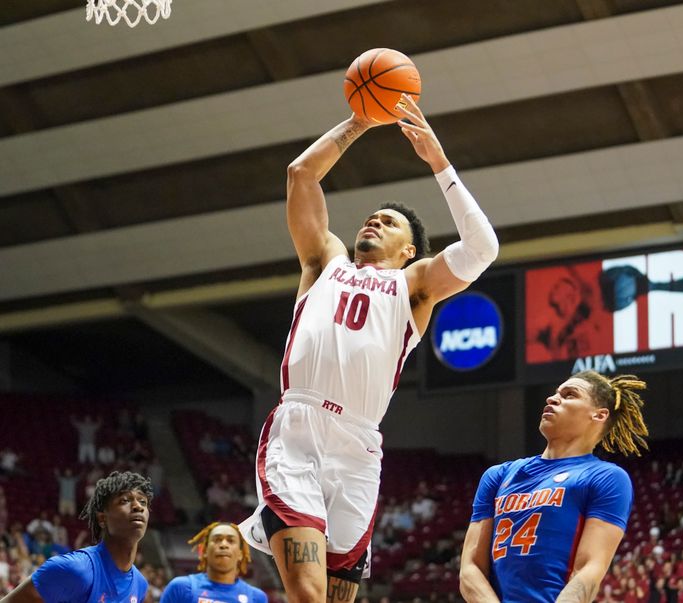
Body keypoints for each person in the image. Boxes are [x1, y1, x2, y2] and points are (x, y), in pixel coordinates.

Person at [239, 93, 498, 603]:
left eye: (389, 221)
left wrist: (439, 162)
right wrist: (360, 122)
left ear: (409, 251)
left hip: (359, 447)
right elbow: (300, 175)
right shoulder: (324, 262)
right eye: (371, 216)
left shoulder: (416, 285)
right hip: (300, 428)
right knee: (309, 595)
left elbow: (483, 248)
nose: (373, 221)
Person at [460, 371, 648, 603]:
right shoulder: (498, 475)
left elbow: (589, 570)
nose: (552, 399)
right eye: (555, 393)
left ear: (598, 415)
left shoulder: (606, 477)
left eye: (569, 395)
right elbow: (470, 569)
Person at [1, 471, 151, 603]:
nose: (138, 506)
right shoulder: (75, 570)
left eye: (143, 501)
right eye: (124, 500)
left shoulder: (140, 584)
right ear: (102, 519)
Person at [161, 522, 266, 603]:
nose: (223, 545)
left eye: (231, 540)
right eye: (217, 539)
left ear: (240, 553)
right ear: (204, 550)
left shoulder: (257, 597)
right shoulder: (180, 587)